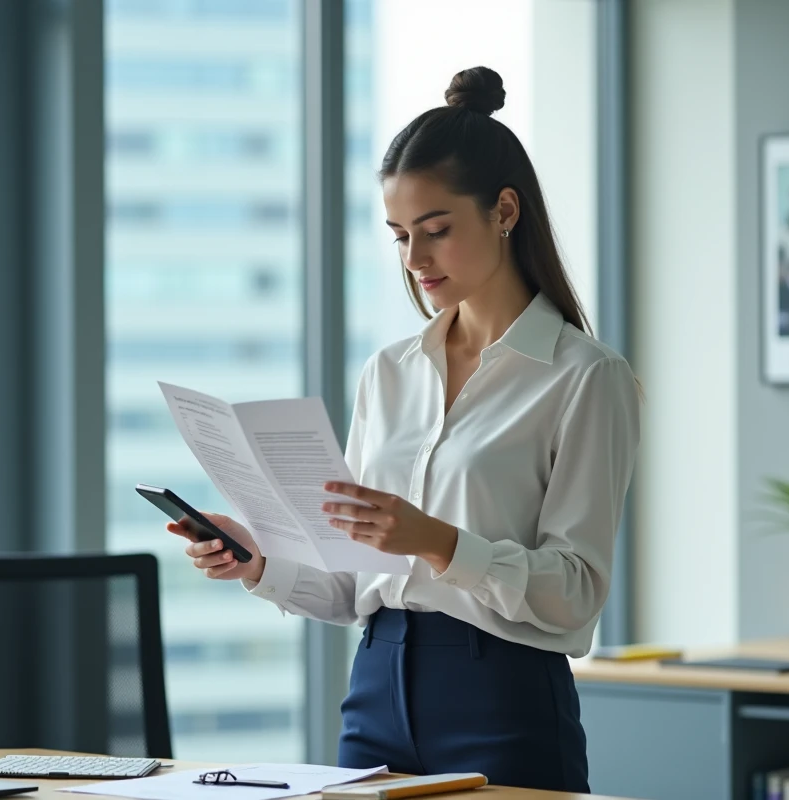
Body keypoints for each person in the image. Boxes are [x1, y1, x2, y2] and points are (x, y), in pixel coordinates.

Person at [167, 66, 640, 794]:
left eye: (437, 231)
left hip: (505, 698)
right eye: (399, 237)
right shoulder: (388, 373)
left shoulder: (585, 376)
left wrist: (439, 542)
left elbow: (576, 593)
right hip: (376, 688)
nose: (415, 260)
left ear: (504, 210)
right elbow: (356, 585)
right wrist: (258, 561)